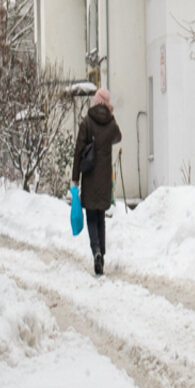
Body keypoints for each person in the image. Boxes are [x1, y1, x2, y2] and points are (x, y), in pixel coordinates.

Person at [72, 87, 122, 275]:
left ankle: (96, 251)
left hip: (90, 176)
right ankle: (102, 252)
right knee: (101, 217)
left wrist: (74, 178)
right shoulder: (110, 124)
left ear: (95, 102)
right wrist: (112, 116)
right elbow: (118, 137)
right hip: (104, 178)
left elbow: (78, 151)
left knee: (92, 217)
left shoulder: (87, 122)